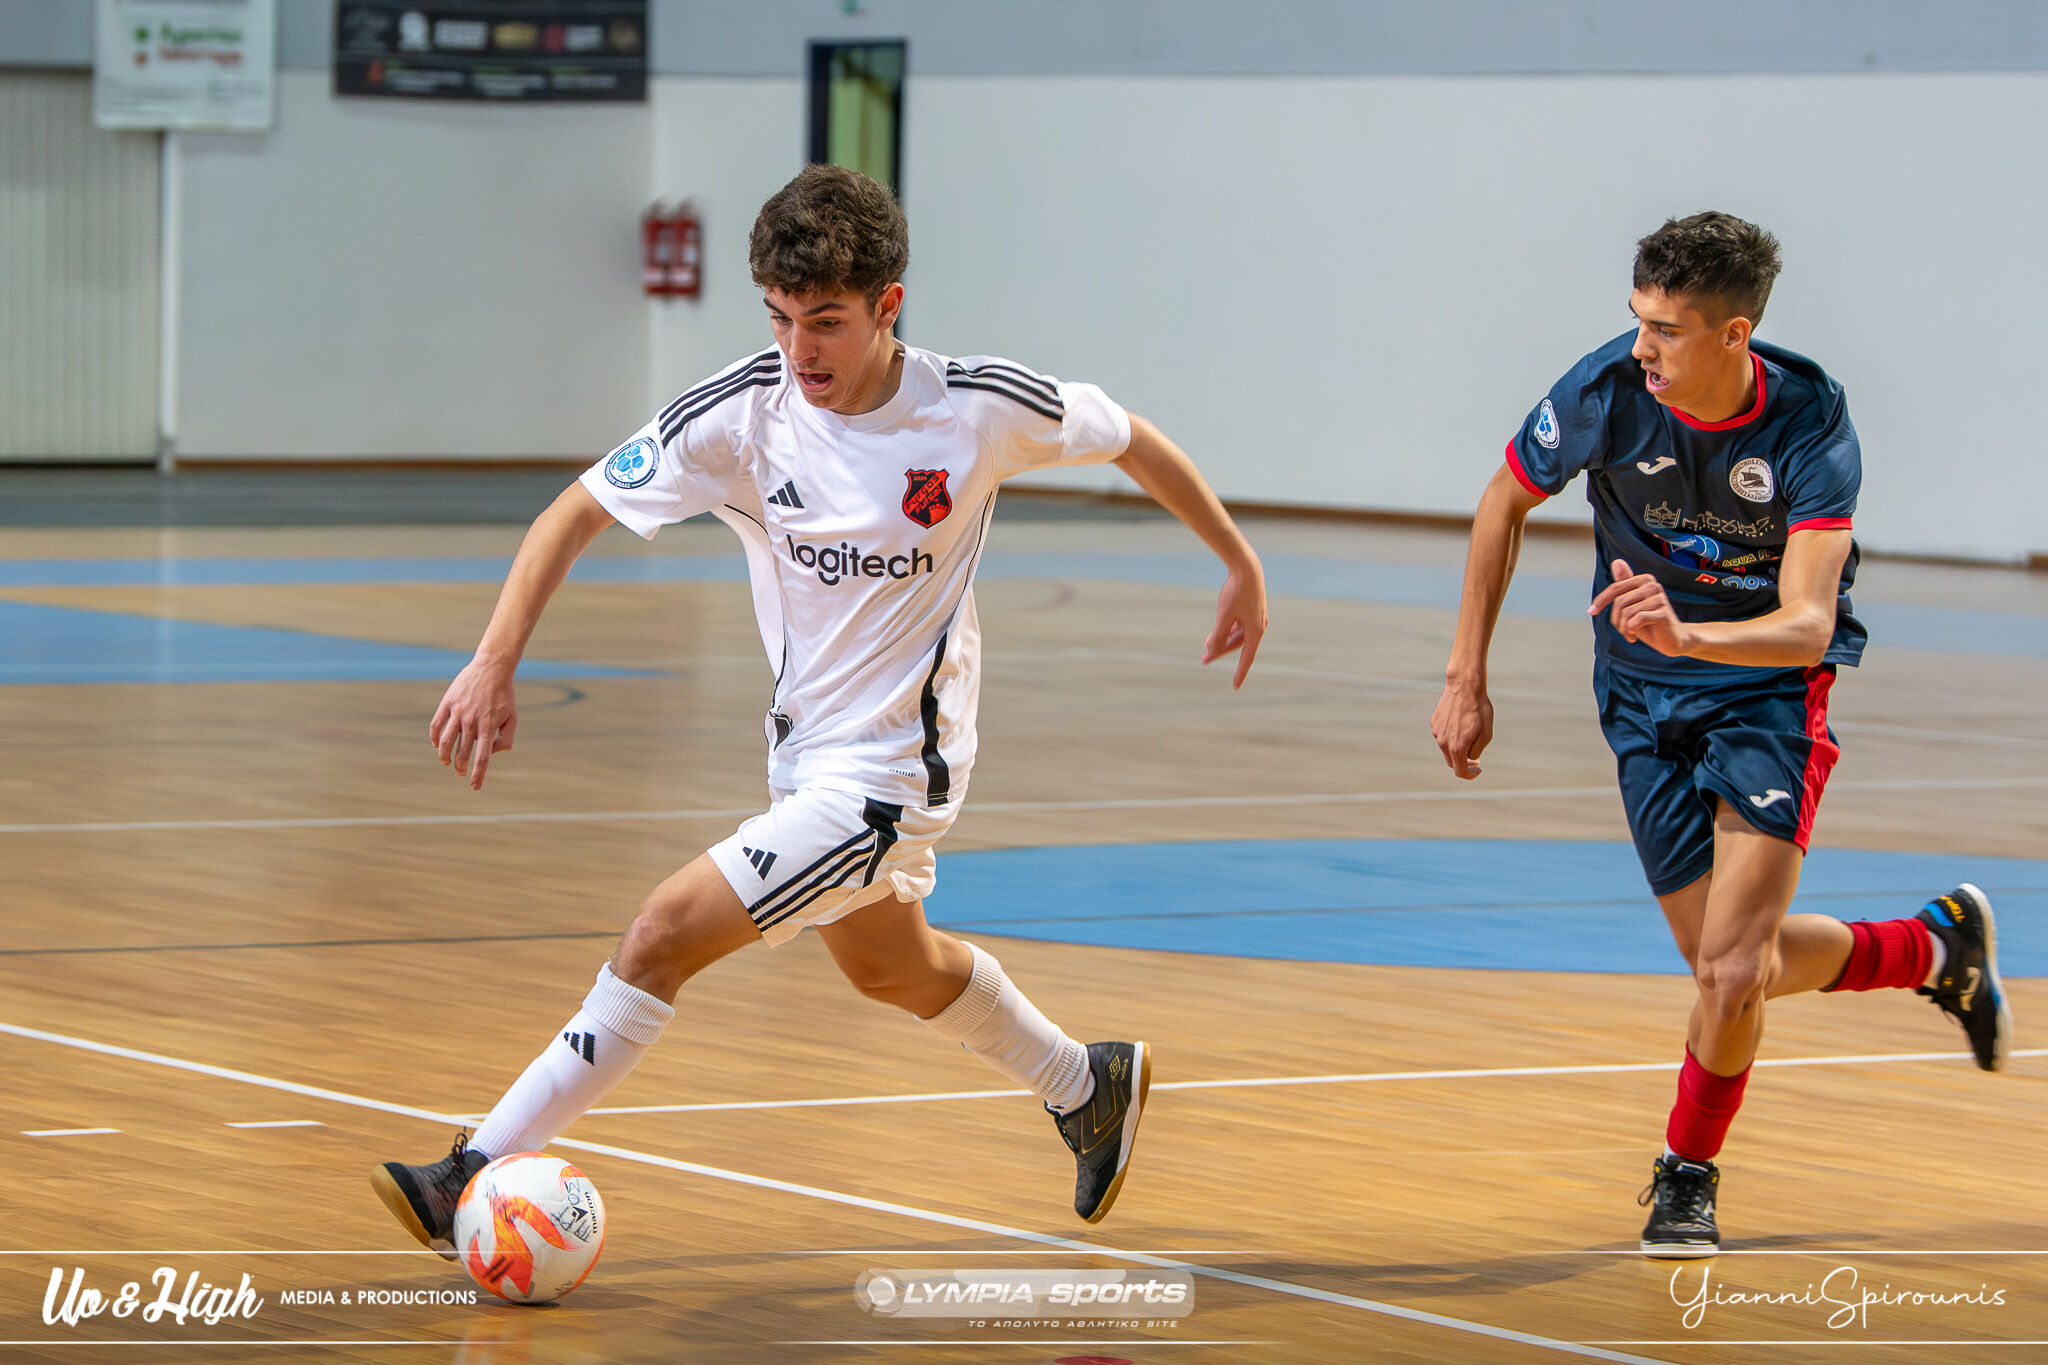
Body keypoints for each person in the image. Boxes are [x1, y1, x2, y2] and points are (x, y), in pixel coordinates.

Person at [370, 164, 1268, 1253]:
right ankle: (1085, 1084)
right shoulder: (741, 414)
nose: (801, 350)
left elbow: (1128, 437)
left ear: (889, 306)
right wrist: (491, 660)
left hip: (889, 779)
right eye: (780, 317)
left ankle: (467, 1170)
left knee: (659, 935)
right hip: (804, 761)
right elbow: (577, 509)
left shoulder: (976, 409)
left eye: (827, 321)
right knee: (895, 968)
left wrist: (1237, 561)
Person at [1430, 211, 2008, 1258]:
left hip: (1764, 695)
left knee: (1732, 972)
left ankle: (1685, 1173)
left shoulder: (1809, 424)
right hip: (1639, 695)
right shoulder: (1605, 391)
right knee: (1724, 962)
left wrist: (1689, 634)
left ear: (1734, 334)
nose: (1641, 347)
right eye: (1636, 320)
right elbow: (1499, 504)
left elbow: (1808, 624)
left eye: (1666, 329)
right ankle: (1934, 948)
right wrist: (1464, 676)